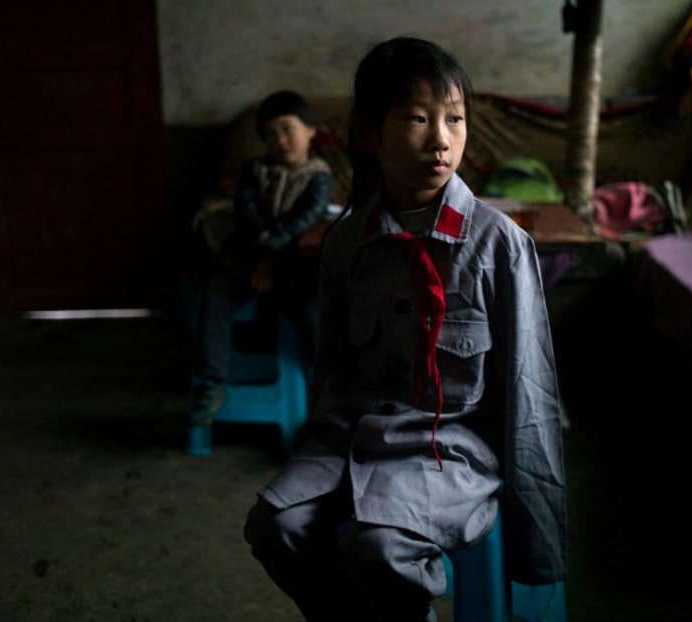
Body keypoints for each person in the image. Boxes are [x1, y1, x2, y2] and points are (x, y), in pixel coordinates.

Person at [243, 36, 567, 622]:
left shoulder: (499, 245)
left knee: (379, 550)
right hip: (352, 435)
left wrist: (537, 547)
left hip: (452, 449)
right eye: (418, 119)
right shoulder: (347, 242)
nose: (442, 139)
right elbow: (332, 370)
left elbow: (530, 393)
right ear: (370, 136)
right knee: (274, 525)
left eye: (455, 119)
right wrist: (315, 445)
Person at [188, 90, 334, 428]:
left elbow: (302, 224)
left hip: (294, 263)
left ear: (311, 130)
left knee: (312, 303)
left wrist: (270, 259)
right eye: (270, 134)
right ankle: (210, 385)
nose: (280, 139)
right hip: (250, 259)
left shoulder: (318, 177)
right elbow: (247, 216)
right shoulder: (254, 172)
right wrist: (260, 257)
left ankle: (327, 391)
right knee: (214, 290)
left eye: (287, 128)